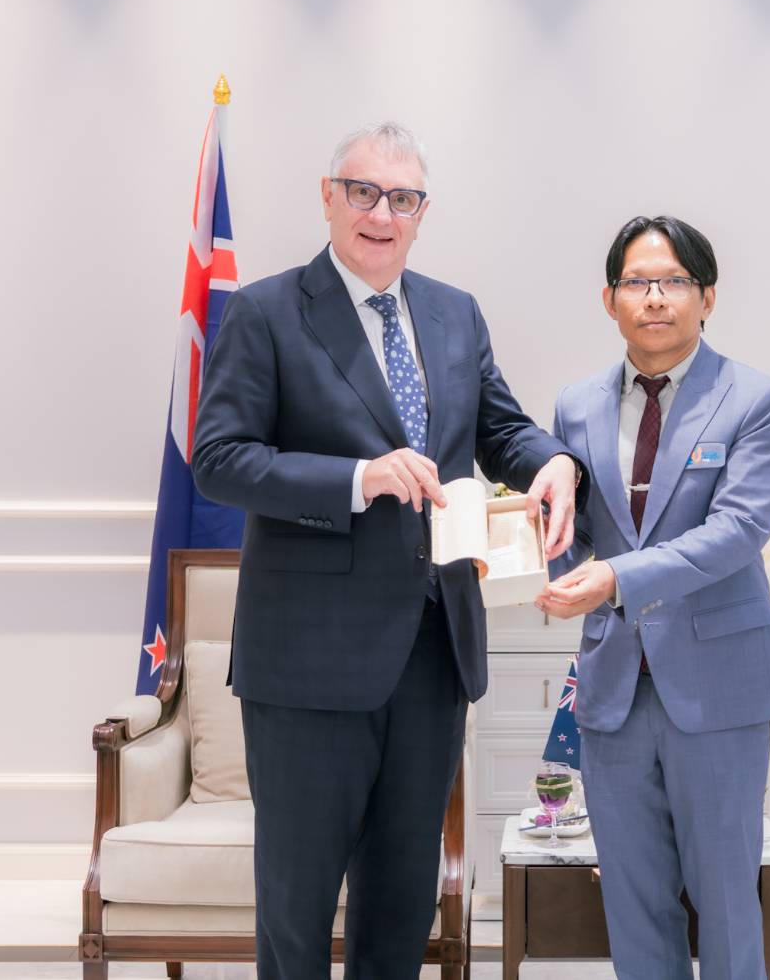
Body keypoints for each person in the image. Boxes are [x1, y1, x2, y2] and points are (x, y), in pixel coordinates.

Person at [192, 122, 586, 978]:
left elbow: (499, 430)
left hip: (434, 653)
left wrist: (553, 460)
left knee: (403, 906)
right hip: (308, 664)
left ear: (422, 213)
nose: (382, 214)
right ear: (328, 197)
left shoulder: (454, 312)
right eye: (364, 192)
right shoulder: (266, 311)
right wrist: (357, 478)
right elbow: (218, 460)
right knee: (297, 912)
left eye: (402, 199)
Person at [536, 215, 770, 980]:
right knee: (633, 900)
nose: (655, 297)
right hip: (614, 687)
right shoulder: (576, 405)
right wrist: (528, 550)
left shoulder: (756, 399)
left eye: (674, 281)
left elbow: (737, 531)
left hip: (718, 688)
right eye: (637, 282)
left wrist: (618, 578)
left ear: (707, 297)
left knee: (725, 900)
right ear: (610, 299)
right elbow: (576, 532)